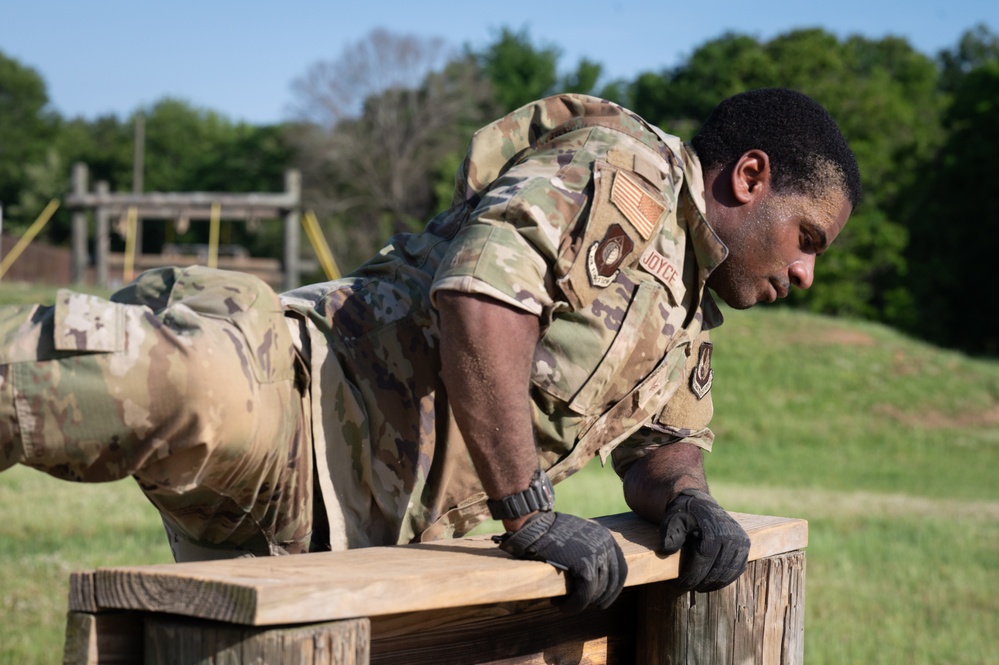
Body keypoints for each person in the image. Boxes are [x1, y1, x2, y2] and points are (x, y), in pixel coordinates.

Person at [0, 89, 860, 614]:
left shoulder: (683, 319)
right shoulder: (624, 172)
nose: (805, 271)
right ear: (748, 178)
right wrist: (529, 511)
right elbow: (481, 296)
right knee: (174, 381)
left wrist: (690, 496)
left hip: (336, 539)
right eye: (807, 237)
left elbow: (660, 446)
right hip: (297, 411)